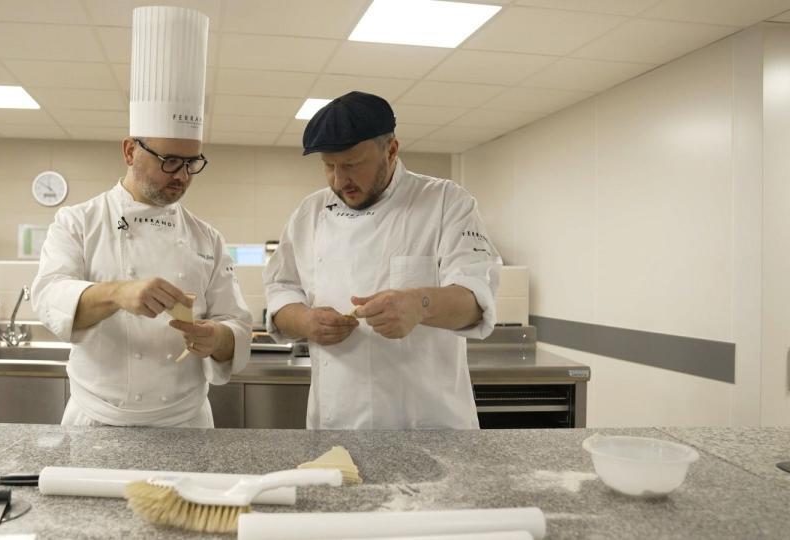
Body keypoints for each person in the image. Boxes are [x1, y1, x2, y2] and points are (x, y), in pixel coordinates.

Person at [32, 6, 251, 428]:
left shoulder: (207, 238)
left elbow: (236, 324)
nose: (182, 176)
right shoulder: (77, 221)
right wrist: (117, 294)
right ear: (131, 150)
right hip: (98, 421)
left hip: (185, 421)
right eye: (170, 160)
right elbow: (49, 296)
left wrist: (219, 338)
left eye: (192, 162)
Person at [264, 91, 502, 430]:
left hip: (428, 426)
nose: (338, 180)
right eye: (329, 167)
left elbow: (476, 299)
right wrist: (305, 322)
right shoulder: (310, 213)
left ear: (390, 150)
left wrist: (420, 305)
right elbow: (280, 289)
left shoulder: (445, 201)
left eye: (351, 165)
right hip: (336, 425)